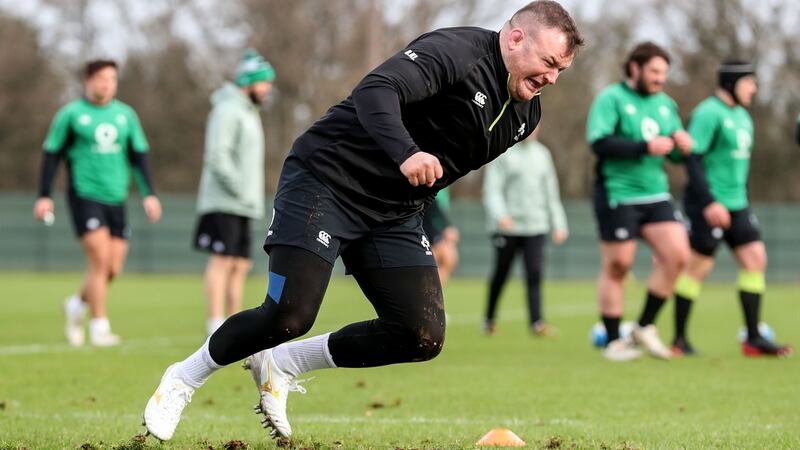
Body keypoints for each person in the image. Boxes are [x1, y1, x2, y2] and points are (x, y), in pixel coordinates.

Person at [143, 1, 583, 441]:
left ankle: (283, 364)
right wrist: (407, 153)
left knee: (421, 334)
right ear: (516, 38)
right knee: (290, 313)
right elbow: (376, 90)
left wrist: (429, 209)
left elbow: (445, 165)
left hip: (394, 212)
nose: (552, 78)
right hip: (327, 179)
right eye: (548, 63)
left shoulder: (527, 115)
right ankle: (183, 377)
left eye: (561, 70)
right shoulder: (457, 52)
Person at [34, 59, 161, 347]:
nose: (107, 84)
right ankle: (100, 327)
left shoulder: (126, 115)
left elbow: (139, 156)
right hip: (84, 196)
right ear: (88, 81)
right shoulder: (71, 115)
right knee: (100, 261)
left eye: (112, 79)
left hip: (117, 198)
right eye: (101, 78)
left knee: (112, 269)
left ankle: (77, 304)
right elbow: (52, 155)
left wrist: (149, 194)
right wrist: (44, 195)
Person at [671, 61, 793, 357]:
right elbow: (693, 159)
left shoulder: (743, 117)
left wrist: (743, 200)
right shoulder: (708, 113)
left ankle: (753, 338)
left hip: (738, 204)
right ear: (731, 84)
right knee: (698, 268)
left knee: (755, 259)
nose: (754, 89)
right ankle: (680, 340)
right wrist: (709, 202)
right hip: (708, 204)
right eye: (749, 82)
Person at [585, 42, 692, 361]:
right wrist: (644, 147)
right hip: (618, 193)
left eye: (664, 73)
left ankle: (644, 326)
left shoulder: (666, 105)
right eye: (655, 71)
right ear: (635, 68)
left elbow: (673, 153)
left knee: (678, 256)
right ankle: (613, 342)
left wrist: (682, 147)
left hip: (656, 193)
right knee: (618, 265)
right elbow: (599, 143)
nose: (660, 78)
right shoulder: (611, 98)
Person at [193, 49, 275, 336]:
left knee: (240, 264)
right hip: (224, 201)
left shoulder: (249, 112)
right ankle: (215, 324)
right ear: (248, 81)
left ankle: (233, 325)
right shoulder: (227, 109)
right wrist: (239, 188)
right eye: (264, 82)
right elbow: (217, 155)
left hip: (243, 204)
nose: (267, 89)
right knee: (222, 261)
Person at [481, 126, 568, 336]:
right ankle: (489, 319)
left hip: (536, 226)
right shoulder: (503, 151)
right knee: (502, 273)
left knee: (535, 273)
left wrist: (559, 224)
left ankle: (536, 323)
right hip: (508, 227)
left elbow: (551, 192)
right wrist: (500, 214)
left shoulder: (543, 154)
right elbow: (492, 189)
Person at [422, 188, 460, 286]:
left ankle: (433, 291)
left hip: (435, 231)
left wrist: (447, 227)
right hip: (423, 232)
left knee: (449, 259)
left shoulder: (442, 190)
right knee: (429, 265)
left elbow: (438, 211)